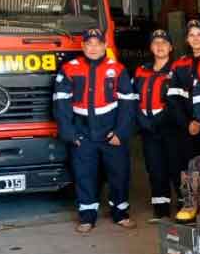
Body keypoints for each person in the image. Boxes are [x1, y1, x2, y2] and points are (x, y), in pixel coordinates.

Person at [53, 28, 137, 233]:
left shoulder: (117, 69)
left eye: (97, 44)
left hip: (111, 134)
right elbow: (60, 103)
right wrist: (70, 133)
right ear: (83, 46)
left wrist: (121, 133)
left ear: (104, 45)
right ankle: (87, 217)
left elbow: (128, 104)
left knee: (119, 175)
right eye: (88, 44)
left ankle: (120, 214)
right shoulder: (69, 68)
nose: (93, 48)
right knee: (84, 175)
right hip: (83, 134)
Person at [133, 29, 184, 222]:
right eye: (156, 43)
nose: (160, 46)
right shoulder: (141, 70)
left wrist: (164, 119)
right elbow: (134, 99)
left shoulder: (177, 70)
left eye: (164, 43)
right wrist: (142, 121)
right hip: (148, 129)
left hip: (171, 128)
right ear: (150, 47)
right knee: (155, 169)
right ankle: (161, 211)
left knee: (176, 168)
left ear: (171, 47)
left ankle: (182, 208)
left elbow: (180, 101)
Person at [170, 19, 200, 159]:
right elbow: (173, 99)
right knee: (190, 171)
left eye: (199, 34)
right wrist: (187, 123)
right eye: (191, 35)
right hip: (186, 128)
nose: (196, 38)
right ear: (187, 39)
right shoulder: (179, 64)